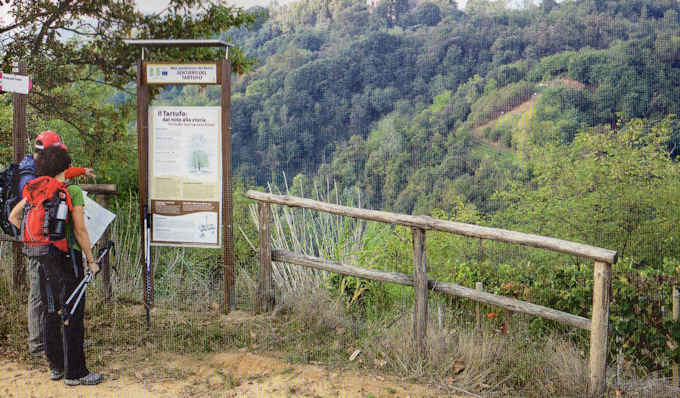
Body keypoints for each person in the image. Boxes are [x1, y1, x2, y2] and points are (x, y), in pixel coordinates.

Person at [9, 145, 102, 386]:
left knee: (51, 311)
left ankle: (56, 367)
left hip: (40, 256)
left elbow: (13, 217)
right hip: (66, 258)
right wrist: (91, 261)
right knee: (73, 313)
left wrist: (34, 236)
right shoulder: (71, 191)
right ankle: (76, 373)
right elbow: (80, 230)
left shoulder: (35, 190)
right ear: (66, 166)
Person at [18, 130, 94, 357]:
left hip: (37, 241)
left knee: (50, 296)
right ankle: (38, 345)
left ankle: (58, 343)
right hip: (41, 244)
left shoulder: (37, 166)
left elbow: (59, 174)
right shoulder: (31, 174)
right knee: (41, 296)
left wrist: (80, 171)